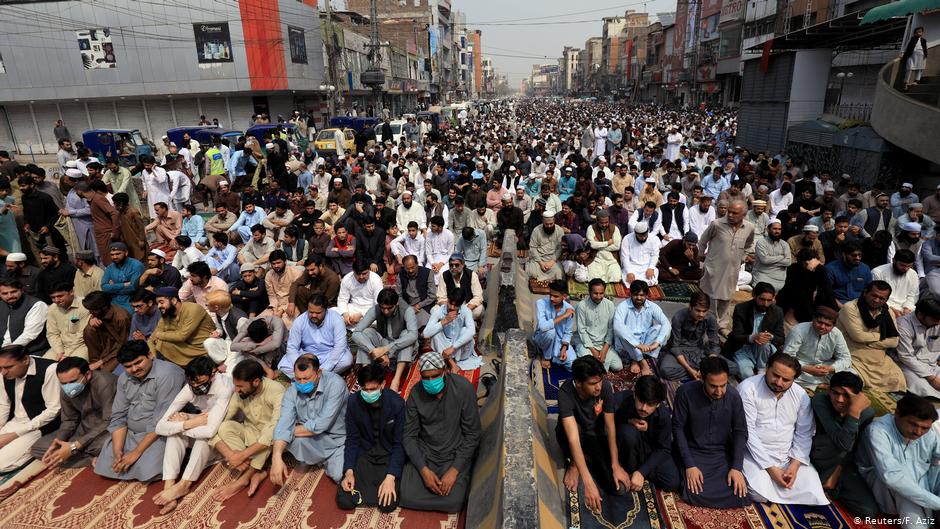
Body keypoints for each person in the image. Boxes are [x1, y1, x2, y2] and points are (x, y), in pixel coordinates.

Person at [739, 352, 828, 505]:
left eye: (786, 380)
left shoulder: (800, 395)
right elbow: (748, 433)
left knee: (813, 492)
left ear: (794, 379)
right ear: (767, 368)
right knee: (758, 493)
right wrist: (771, 469)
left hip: (787, 455)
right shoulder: (748, 388)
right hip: (754, 454)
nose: (779, 383)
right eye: (775, 375)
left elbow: (804, 432)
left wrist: (794, 464)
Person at [399, 352, 481, 513]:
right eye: (425, 378)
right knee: (407, 495)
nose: (430, 382)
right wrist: (424, 471)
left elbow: (473, 434)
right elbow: (409, 435)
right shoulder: (416, 393)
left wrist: (454, 470)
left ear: (445, 371)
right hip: (427, 453)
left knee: (454, 501)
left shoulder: (463, 388)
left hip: (454, 453)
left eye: (435, 376)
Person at [94, 340, 186, 482]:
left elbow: (162, 418)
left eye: (138, 362)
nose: (134, 369)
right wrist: (117, 451)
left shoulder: (168, 374)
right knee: (107, 465)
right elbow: (119, 415)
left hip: (160, 433)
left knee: (147, 470)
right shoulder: (124, 378)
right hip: (132, 433)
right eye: (128, 366)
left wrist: (136, 452)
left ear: (150, 355)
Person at [153, 356, 233, 514]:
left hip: (225, 430)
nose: (196, 386)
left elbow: (211, 430)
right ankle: (169, 487)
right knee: (174, 433)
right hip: (202, 421)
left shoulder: (224, 387)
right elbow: (160, 426)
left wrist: (183, 425)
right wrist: (187, 423)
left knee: (204, 437)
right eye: (192, 383)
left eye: (200, 382)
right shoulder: (189, 387)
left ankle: (184, 485)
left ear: (213, 374)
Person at [673, 356, 749, 508]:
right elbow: (677, 428)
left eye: (723, 385)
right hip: (692, 450)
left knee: (739, 494)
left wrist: (736, 467)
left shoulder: (734, 397)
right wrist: (690, 465)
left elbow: (740, 431)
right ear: (701, 378)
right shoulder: (685, 393)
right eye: (713, 386)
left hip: (720, 454)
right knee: (693, 491)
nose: (719, 391)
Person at [555, 355, 626, 512]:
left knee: (618, 488)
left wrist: (615, 465)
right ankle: (575, 463)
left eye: (600, 381)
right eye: (593, 384)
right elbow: (573, 438)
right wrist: (588, 482)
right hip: (574, 435)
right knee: (572, 431)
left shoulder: (605, 387)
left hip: (594, 435)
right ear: (578, 383)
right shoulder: (565, 394)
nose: (598, 387)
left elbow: (610, 427)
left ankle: (588, 457)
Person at [209, 360, 285, 502]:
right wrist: (231, 454)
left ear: (256, 382)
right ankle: (256, 470)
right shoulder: (240, 393)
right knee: (224, 427)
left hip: (272, 436)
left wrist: (242, 454)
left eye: (239, 386)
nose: (236, 390)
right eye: (235, 385)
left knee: (269, 435)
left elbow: (276, 427)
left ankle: (243, 479)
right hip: (251, 432)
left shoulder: (276, 390)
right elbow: (221, 420)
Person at [861, 394, 940, 527]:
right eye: (913, 424)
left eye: (924, 428)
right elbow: (892, 477)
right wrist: (936, 502)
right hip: (888, 487)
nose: (919, 432)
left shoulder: (928, 432)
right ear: (897, 413)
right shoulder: (877, 431)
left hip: (921, 480)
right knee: (905, 489)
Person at [336, 362, 405, 513]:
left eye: (373, 389)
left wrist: (391, 476)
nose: (368, 393)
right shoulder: (354, 402)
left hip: (388, 454)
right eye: (364, 389)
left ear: (383, 384)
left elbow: (400, 443)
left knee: (387, 504)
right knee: (345, 500)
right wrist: (348, 471)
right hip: (365, 453)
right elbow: (352, 439)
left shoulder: (397, 404)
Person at [270, 354, 348, 486]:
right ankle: (310, 458)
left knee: (338, 475)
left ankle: (320, 459)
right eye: (298, 378)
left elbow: (321, 425)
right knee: (282, 435)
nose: (301, 383)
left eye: (306, 378)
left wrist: (289, 431)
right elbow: (284, 423)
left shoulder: (335, 384)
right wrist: (276, 456)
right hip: (310, 437)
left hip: (337, 439)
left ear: (318, 373)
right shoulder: (292, 391)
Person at [809, 371, 877, 517]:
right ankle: (823, 485)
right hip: (816, 457)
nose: (840, 400)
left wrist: (837, 471)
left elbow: (853, 449)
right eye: (835, 393)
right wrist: (854, 412)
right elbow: (842, 442)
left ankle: (832, 487)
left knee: (868, 511)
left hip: (841, 462)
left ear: (858, 397)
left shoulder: (867, 413)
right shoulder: (820, 401)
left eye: (846, 395)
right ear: (829, 390)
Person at [31, 357, 116, 469]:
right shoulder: (66, 389)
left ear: (88, 374)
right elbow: (69, 420)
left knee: (106, 446)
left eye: (73, 381)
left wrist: (75, 446)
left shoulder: (104, 382)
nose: (68, 386)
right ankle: (89, 459)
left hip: (107, 429)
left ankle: (77, 454)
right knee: (39, 447)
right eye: (63, 383)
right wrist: (59, 441)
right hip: (84, 428)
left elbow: (110, 420)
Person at [613, 376, 680, 492]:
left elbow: (664, 448)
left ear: (658, 404)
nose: (644, 408)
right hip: (627, 446)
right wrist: (628, 421)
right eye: (641, 401)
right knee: (627, 433)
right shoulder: (621, 400)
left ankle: (637, 472)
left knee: (672, 482)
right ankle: (627, 470)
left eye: (650, 404)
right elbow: (606, 422)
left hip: (649, 449)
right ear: (635, 395)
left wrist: (642, 472)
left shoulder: (663, 416)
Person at [836, 280, 905, 393]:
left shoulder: (888, 313)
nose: (876, 300)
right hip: (854, 356)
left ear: (886, 300)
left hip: (880, 360)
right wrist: (882, 336)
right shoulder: (850, 308)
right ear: (865, 293)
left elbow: (894, 342)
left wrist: (868, 340)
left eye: (882, 298)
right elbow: (858, 337)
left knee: (898, 379)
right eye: (874, 295)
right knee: (852, 383)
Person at [0, 344, 61, 472]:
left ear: (26, 360)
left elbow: (53, 410)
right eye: (1, 368)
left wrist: (14, 435)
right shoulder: (4, 372)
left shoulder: (49, 370)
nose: (4, 372)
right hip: (16, 422)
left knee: (2, 464)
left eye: (9, 367)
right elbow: (4, 405)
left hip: (40, 425)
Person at [699, 200, 756, 333]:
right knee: (711, 296)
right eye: (729, 211)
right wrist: (700, 256)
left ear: (743, 214)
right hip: (713, 267)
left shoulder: (749, 227)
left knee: (727, 296)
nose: (730, 215)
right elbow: (703, 240)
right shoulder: (717, 224)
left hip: (732, 269)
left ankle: (722, 324)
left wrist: (742, 258)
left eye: (734, 213)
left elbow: (748, 244)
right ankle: (710, 322)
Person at [351, 288, 418, 392]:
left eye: (389, 308)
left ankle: (396, 379)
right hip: (382, 347)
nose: (385, 311)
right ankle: (367, 376)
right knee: (366, 333)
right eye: (383, 308)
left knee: (406, 335)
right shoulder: (376, 309)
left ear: (396, 304)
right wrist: (375, 351)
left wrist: (386, 348)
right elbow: (356, 333)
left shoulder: (407, 310)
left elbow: (413, 335)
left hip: (400, 349)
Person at [149, 287, 220, 368]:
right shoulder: (167, 314)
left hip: (204, 349)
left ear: (174, 301)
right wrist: (153, 359)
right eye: (157, 303)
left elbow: (182, 336)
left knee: (162, 340)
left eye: (161, 302)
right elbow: (151, 339)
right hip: (185, 348)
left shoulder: (193, 309)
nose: (159, 306)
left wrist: (159, 335)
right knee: (162, 342)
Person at [283, 295, 353, 378]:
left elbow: (339, 347)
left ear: (326, 310)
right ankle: (315, 376)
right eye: (311, 312)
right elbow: (292, 347)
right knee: (284, 366)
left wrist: (325, 368)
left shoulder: (336, 319)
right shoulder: (299, 321)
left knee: (347, 360)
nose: (314, 315)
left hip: (329, 353)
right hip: (307, 355)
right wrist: (300, 365)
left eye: (318, 313)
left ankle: (312, 376)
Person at [726, 282, 786, 379]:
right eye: (762, 299)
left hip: (764, 350)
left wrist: (770, 336)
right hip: (743, 347)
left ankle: (762, 368)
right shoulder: (741, 309)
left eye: (769, 300)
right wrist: (752, 337)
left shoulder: (777, 312)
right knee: (746, 375)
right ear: (754, 295)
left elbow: (781, 339)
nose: (765, 304)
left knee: (764, 342)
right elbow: (736, 335)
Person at [783, 307, 852, 390]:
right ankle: (822, 385)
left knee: (852, 374)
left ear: (833, 326)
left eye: (828, 325)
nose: (822, 327)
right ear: (813, 319)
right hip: (800, 367)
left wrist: (830, 368)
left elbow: (846, 358)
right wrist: (808, 369)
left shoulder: (836, 334)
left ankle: (813, 384)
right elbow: (787, 356)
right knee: (785, 372)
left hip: (824, 368)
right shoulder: (799, 330)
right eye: (819, 322)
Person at [659, 292, 723, 381]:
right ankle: (703, 375)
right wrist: (690, 369)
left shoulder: (711, 318)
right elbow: (675, 346)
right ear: (690, 307)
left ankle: (703, 373)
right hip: (680, 351)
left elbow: (714, 345)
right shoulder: (679, 317)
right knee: (665, 370)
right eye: (698, 310)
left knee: (732, 367)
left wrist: (708, 366)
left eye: (704, 311)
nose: (701, 314)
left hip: (699, 350)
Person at [613, 280, 670, 376]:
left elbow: (666, 323)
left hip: (645, 342)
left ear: (647, 295)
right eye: (636, 295)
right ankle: (642, 361)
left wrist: (657, 343)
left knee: (660, 327)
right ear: (630, 294)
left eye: (642, 295)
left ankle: (635, 360)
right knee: (622, 332)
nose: (639, 298)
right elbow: (617, 327)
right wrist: (637, 344)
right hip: (627, 344)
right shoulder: (623, 306)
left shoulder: (652, 306)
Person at [425, 288, 480, 372]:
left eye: (456, 305)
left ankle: (450, 362)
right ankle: (452, 364)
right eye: (450, 303)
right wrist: (444, 321)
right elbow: (426, 334)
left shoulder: (466, 311)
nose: (452, 307)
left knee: (465, 330)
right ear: (447, 300)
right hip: (444, 349)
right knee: (435, 333)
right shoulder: (439, 311)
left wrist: (453, 348)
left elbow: (472, 331)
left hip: (460, 351)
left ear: (461, 304)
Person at [895, 297, 940, 399]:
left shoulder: (937, 322)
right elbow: (905, 356)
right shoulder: (903, 325)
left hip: (931, 364)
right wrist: (931, 378)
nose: (938, 323)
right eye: (935, 320)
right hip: (907, 365)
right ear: (920, 315)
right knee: (923, 387)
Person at [573, 278, 618, 371]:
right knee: (591, 367)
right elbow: (581, 330)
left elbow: (610, 329)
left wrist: (604, 350)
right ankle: (580, 352)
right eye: (595, 293)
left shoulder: (610, 305)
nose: (598, 296)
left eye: (601, 293)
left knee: (618, 366)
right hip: (587, 344)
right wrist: (593, 351)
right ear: (589, 292)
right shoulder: (582, 306)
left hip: (603, 344)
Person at [533, 280, 576, 371]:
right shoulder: (541, 303)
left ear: (564, 296)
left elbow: (568, 332)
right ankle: (546, 356)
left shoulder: (569, 309)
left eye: (556, 296)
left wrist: (564, 348)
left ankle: (554, 357)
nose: (552, 298)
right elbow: (543, 327)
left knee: (572, 365)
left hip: (559, 342)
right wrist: (563, 316)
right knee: (550, 332)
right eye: (550, 295)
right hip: (542, 338)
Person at [0, 278, 49, 356]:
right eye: (5, 293)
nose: (10, 296)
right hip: (5, 350)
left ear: (22, 290)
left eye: (14, 292)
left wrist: (7, 351)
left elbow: (29, 335)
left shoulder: (37, 305)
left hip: (31, 352)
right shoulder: (2, 305)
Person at [45, 281, 90, 362]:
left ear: (71, 292)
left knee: (70, 370)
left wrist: (66, 355)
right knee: (43, 366)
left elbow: (83, 334)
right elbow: (52, 333)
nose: (56, 300)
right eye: (53, 297)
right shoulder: (52, 308)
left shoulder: (85, 305)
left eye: (60, 296)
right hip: (60, 346)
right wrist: (60, 351)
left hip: (82, 345)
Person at [435, 253, 484, 320]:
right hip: (450, 306)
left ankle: (462, 320)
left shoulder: (471, 275)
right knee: (434, 310)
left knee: (479, 310)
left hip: (467, 306)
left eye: (457, 265)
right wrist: (450, 308)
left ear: (463, 265)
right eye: (451, 265)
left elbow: (478, 297)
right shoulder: (444, 275)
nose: (454, 267)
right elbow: (441, 297)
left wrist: (464, 310)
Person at [872, 249, 919, 317]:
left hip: (906, 311)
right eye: (902, 265)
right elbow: (876, 297)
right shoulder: (878, 272)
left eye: (909, 266)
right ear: (894, 260)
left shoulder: (913, 274)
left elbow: (913, 296)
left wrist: (907, 308)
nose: (905, 269)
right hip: (883, 308)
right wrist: (891, 310)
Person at [101, 242, 146, 314]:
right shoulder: (110, 268)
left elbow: (133, 287)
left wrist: (112, 286)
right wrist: (123, 285)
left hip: (131, 302)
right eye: (112, 255)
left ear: (126, 253)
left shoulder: (136, 265)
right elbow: (104, 287)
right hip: (114, 302)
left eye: (118, 254)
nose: (114, 257)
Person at [395, 255, 438, 328]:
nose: (410, 270)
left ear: (417, 264)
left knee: (419, 325)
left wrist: (418, 305)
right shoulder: (401, 274)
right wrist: (408, 308)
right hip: (407, 305)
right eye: (408, 268)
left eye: (412, 267)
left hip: (423, 306)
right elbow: (398, 295)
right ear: (404, 267)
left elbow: (432, 296)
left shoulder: (427, 273)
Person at [826, 242, 872, 307]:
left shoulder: (865, 268)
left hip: (860, 303)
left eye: (860, 255)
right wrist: (842, 307)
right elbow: (826, 292)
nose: (858, 258)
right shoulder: (831, 269)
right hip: (838, 303)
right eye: (854, 255)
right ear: (844, 254)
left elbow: (869, 290)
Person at [336, 262, 383, 328]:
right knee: (332, 312)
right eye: (358, 274)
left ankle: (351, 326)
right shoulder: (347, 278)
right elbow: (342, 299)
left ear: (369, 270)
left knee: (379, 319)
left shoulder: (375, 279)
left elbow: (378, 304)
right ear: (353, 272)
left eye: (364, 274)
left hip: (370, 309)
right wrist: (345, 314)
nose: (361, 277)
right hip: (353, 308)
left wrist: (361, 314)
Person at [751, 219, 791, 291]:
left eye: (779, 229)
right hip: (763, 275)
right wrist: (781, 257)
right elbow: (765, 260)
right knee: (763, 291)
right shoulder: (761, 242)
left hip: (780, 278)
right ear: (768, 229)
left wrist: (771, 260)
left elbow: (788, 262)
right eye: (775, 229)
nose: (777, 231)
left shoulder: (785, 244)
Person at [584, 209, 623, 283]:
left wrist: (598, 244)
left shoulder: (615, 228)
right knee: (594, 279)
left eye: (606, 222)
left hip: (611, 259)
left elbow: (617, 246)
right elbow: (592, 245)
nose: (604, 225)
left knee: (616, 278)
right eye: (601, 223)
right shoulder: (591, 228)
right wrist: (608, 243)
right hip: (596, 258)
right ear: (597, 221)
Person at [620, 221, 661, 286]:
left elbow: (655, 255)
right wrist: (629, 272)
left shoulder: (654, 239)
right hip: (632, 266)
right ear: (635, 233)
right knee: (628, 280)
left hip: (647, 267)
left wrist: (651, 268)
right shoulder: (627, 239)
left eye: (645, 235)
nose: (643, 238)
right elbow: (625, 257)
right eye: (640, 236)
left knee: (652, 277)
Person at [526, 211, 564, 281]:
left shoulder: (559, 230)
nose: (549, 226)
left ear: (554, 221)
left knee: (559, 274)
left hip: (553, 259)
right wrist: (541, 263)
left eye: (551, 224)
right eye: (547, 224)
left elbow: (560, 248)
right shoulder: (536, 230)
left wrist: (551, 262)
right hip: (538, 259)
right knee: (532, 273)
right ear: (543, 222)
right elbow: (533, 248)